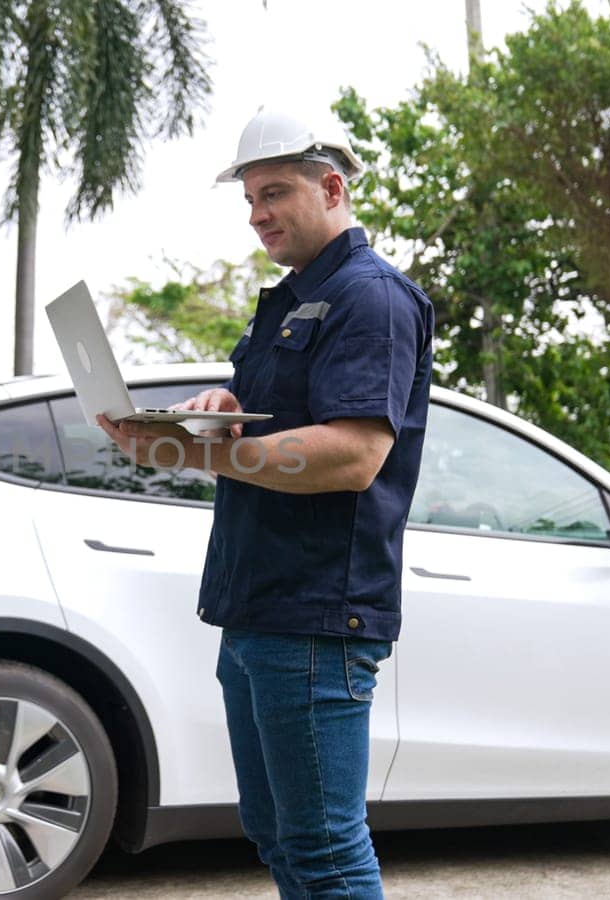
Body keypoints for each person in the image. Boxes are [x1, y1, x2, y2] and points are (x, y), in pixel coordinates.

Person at [96, 107, 434, 899]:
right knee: (279, 838)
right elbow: (274, 425)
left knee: (323, 849)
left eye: (274, 192)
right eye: (249, 199)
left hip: (316, 618)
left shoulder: (372, 298)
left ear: (333, 186)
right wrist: (218, 406)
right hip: (255, 609)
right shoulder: (287, 299)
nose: (258, 216)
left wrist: (195, 450)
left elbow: (353, 456)